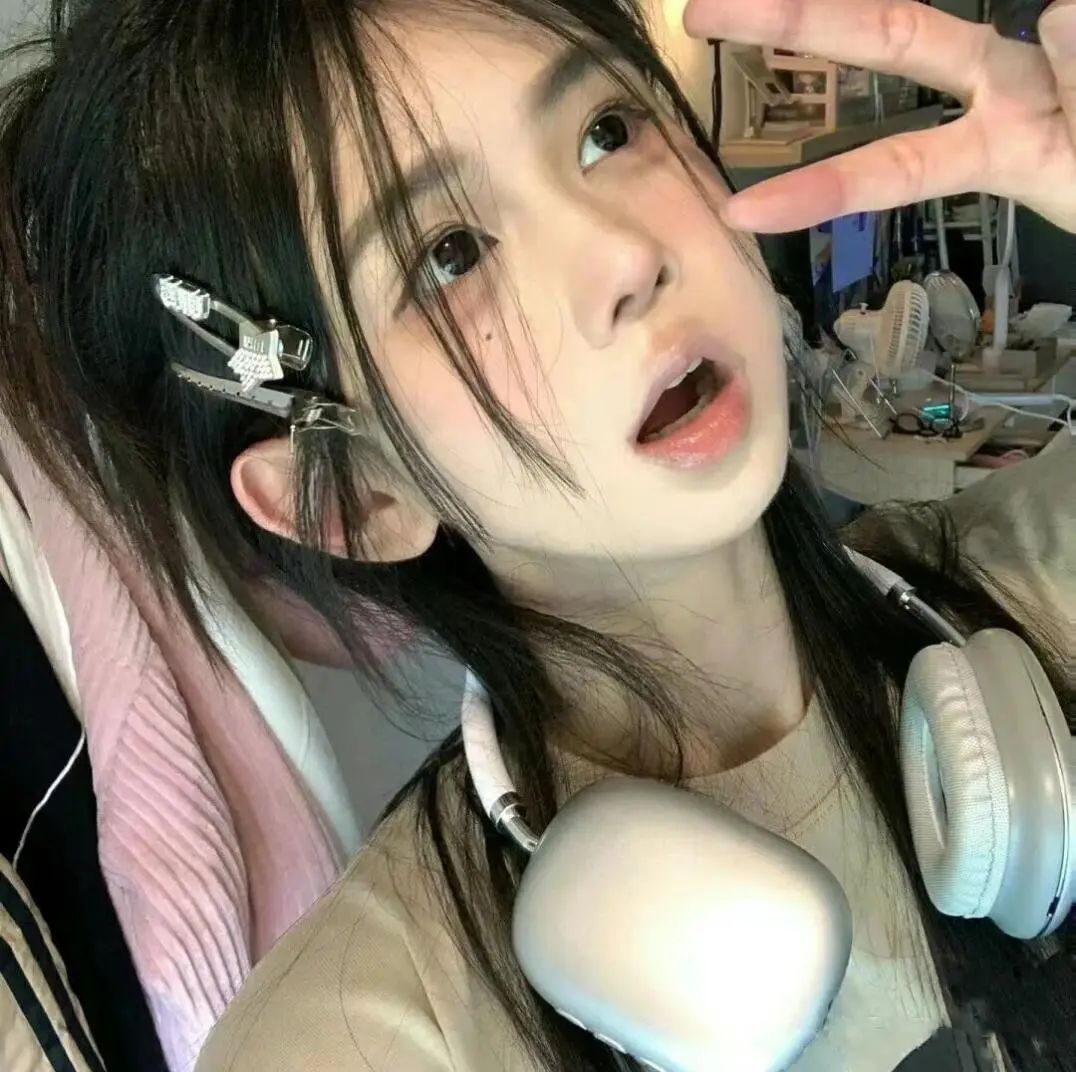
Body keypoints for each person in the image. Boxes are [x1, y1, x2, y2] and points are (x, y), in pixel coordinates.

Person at [0, 0, 1072, 1069]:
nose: (626, 257)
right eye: (446, 257)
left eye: (606, 132)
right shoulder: (354, 1038)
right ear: (355, 497)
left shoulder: (1042, 571)